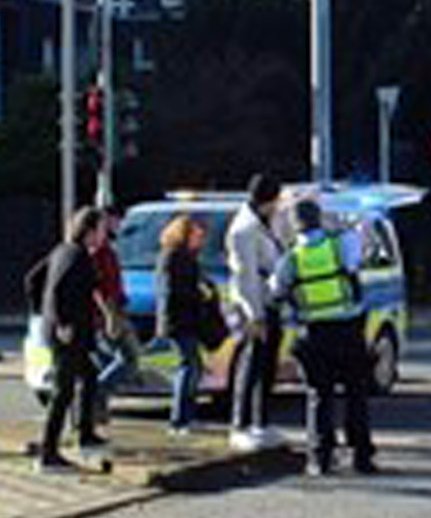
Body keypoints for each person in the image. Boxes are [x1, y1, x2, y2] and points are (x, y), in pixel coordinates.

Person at [281, 196, 373, 475]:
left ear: (295, 225)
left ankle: (319, 458)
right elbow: (359, 257)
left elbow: (277, 288)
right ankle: (361, 457)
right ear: (319, 219)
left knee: (319, 396)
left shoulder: (291, 257)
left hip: (314, 333)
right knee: (356, 393)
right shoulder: (340, 244)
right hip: (347, 329)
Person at [33, 207, 109, 474]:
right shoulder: (75, 255)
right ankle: (48, 453)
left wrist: (41, 313)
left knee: (90, 376)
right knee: (62, 392)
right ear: (89, 230)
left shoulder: (63, 251)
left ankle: (85, 434)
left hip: (69, 331)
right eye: (101, 228)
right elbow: (57, 290)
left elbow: (33, 279)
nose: (104, 234)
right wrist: (61, 322)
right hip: (68, 333)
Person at [226, 174, 288, 449]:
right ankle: (240, 424)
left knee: (267, 364)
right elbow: (245, 276)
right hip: (253, 305)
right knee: (251, 364)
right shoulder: (244, 229)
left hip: (269, 301)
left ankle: (261, 422)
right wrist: (255, 315)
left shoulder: (264, 221)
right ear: (268, 199)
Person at [84, 203, 139, 451]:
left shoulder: (107, 249)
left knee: (106, 361)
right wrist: (110, 315)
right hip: (107, 314)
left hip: (114, 310)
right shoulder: (99, 251)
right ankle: (97, 394)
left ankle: (96, 411)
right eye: (115, 220)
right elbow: (98, 287)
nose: (119, 225)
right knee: (129, 358)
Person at [154, 214, 212, 436]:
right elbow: (171, 292)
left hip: (188, 320)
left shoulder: (189, 257)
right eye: (196, 235)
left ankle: (186, 416)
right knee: (188, 366)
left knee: (193, 367)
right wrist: (198, 294)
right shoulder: (172, 257)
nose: (200, 239)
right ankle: (179, 420)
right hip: (178, 321)